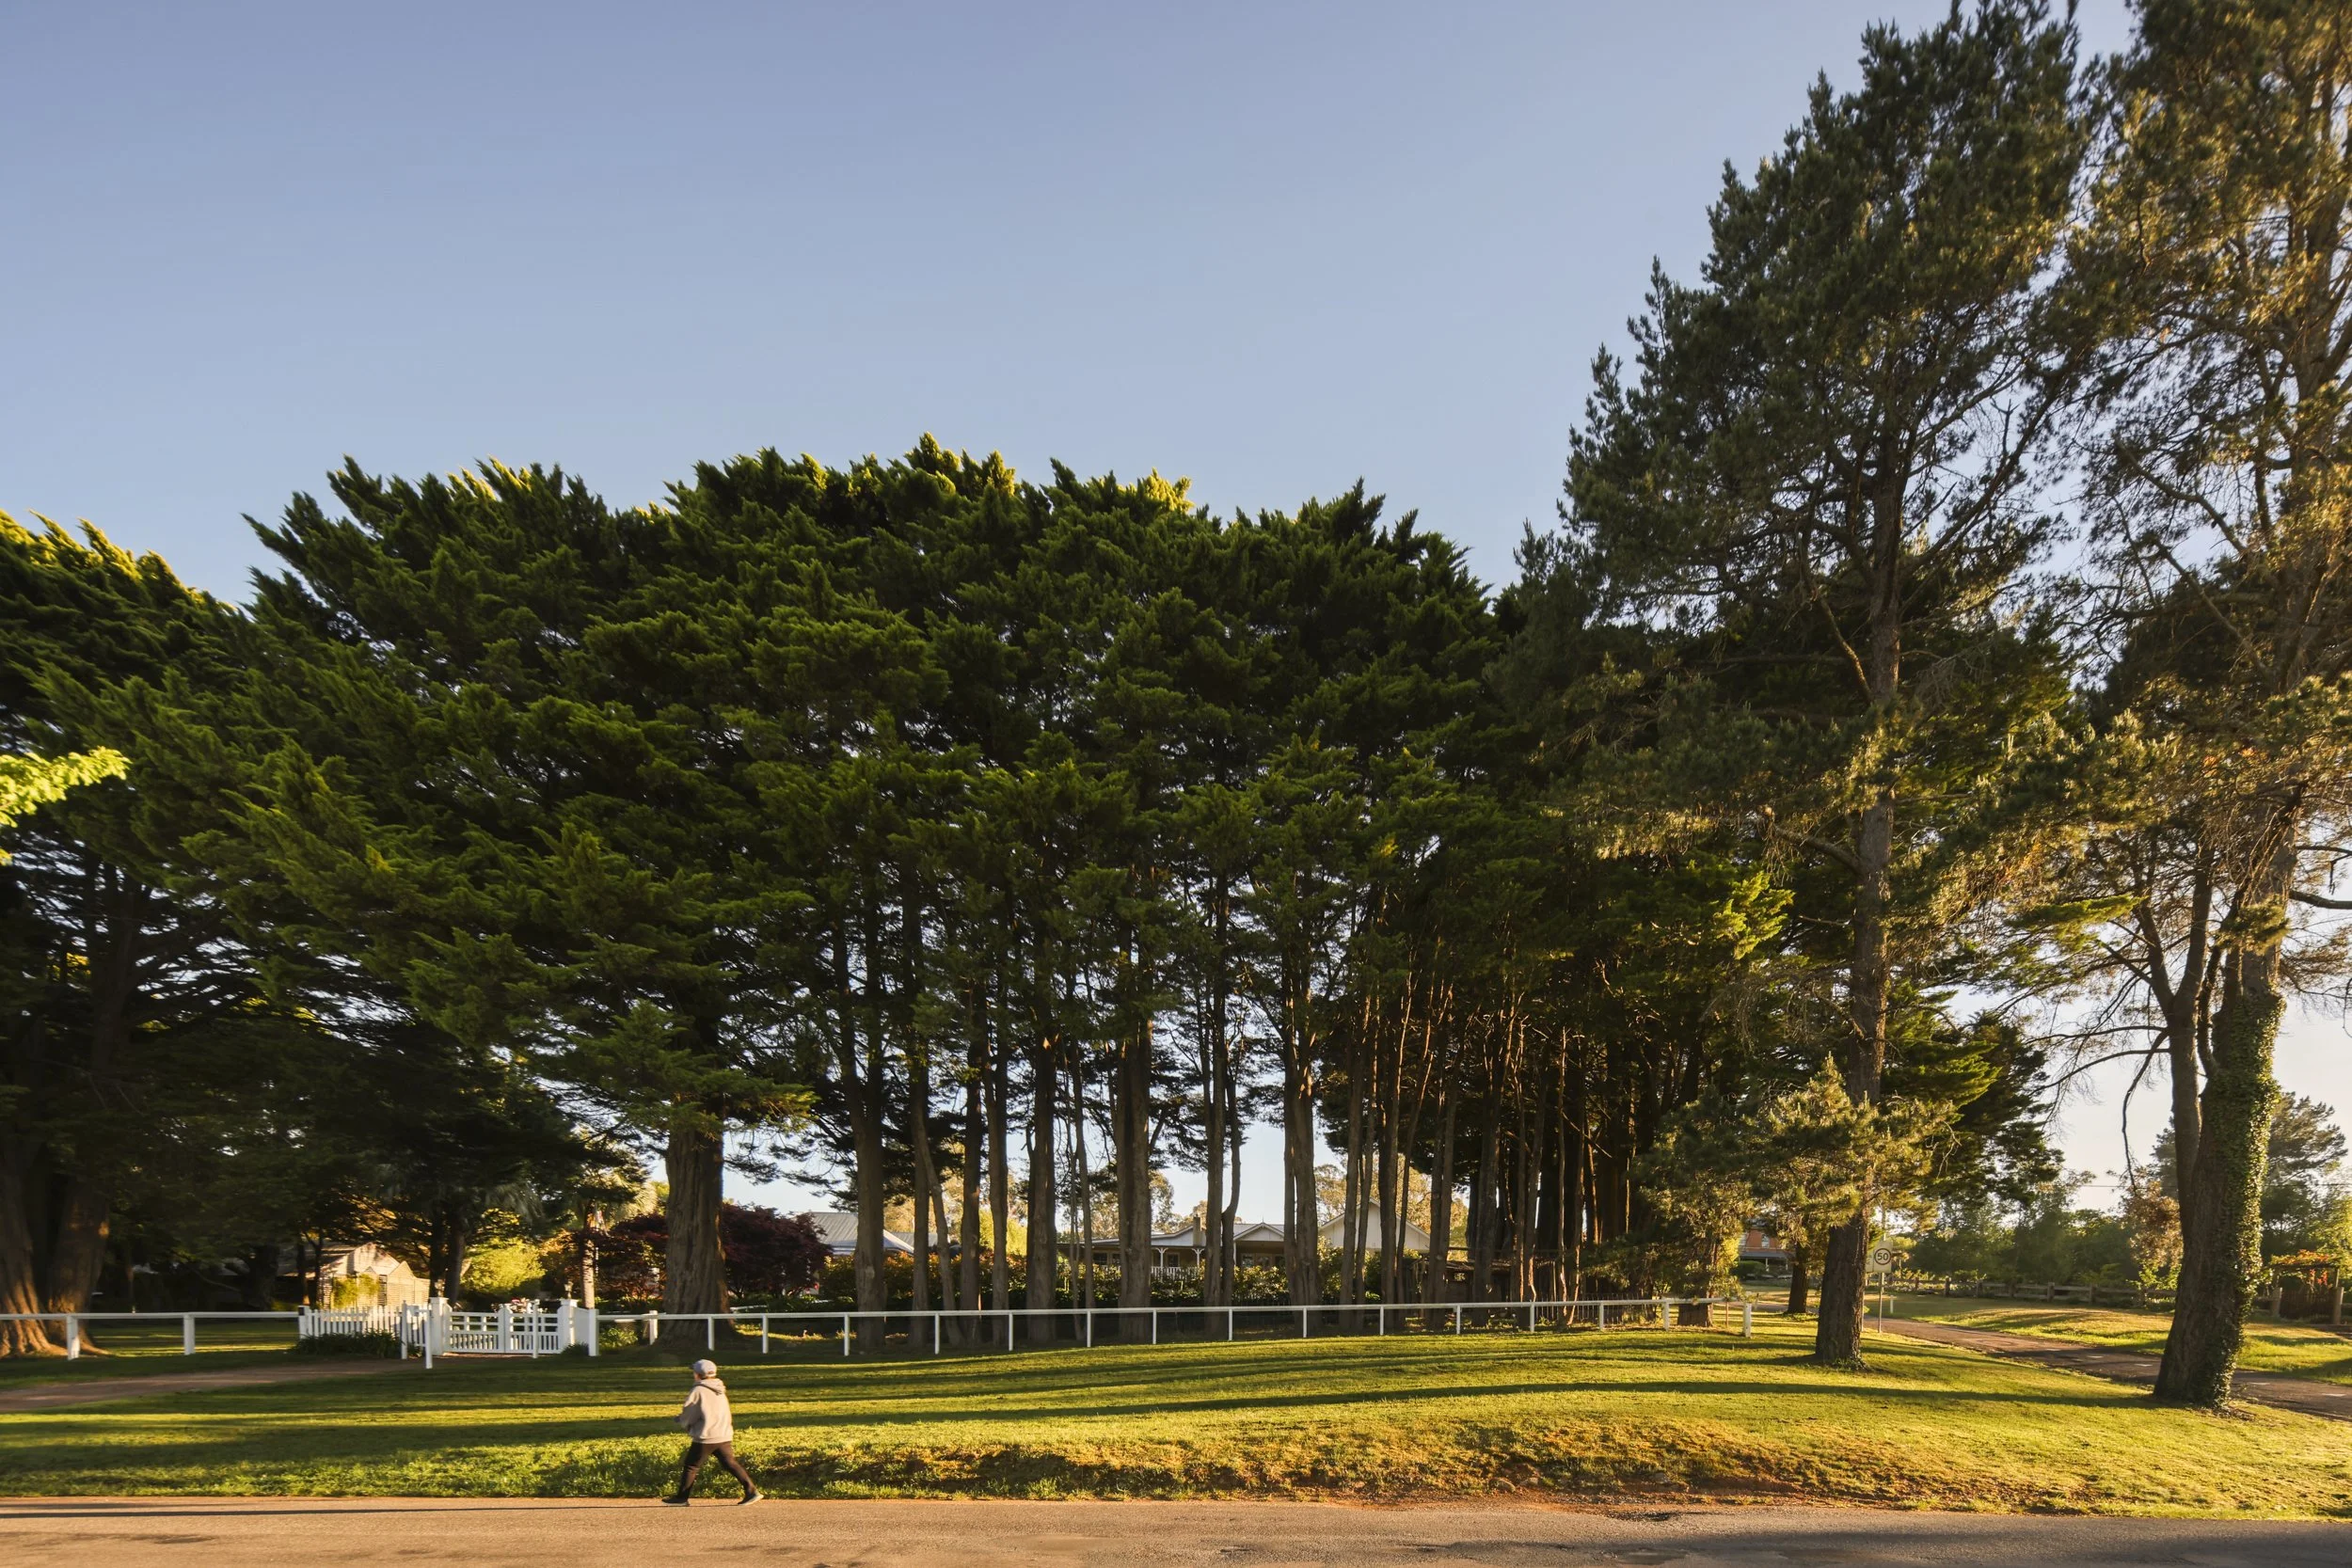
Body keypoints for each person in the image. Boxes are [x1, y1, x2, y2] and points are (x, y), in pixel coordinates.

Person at [663, 1358, 762, 1505]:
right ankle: (751, 1491)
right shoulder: (719, 1387)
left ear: (697, 1374)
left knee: (691, 1466)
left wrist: (682, 1420)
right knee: (729, 1463)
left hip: (706, 1435)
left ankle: (681, 1498)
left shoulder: (698, 1390)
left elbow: (690, 1413)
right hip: (723, 1433)